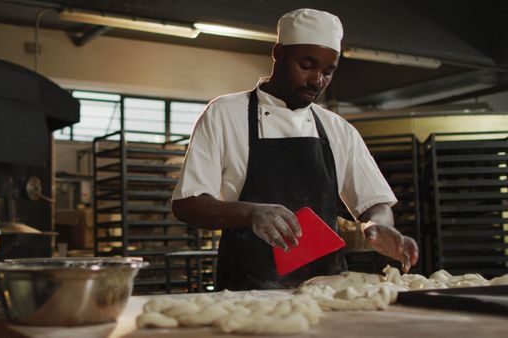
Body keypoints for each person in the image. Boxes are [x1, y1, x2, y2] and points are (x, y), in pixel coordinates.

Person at [171, 8, 419, 291]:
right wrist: (250, 213)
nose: (317, 80)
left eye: (328, 72)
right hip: (248, 290)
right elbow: (187, 204)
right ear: (278, 53)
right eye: (306, 65)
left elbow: (375, 202)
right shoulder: (225, 114)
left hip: (328, 289)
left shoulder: (337, 129)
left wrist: (378, 225)